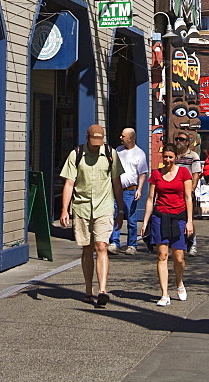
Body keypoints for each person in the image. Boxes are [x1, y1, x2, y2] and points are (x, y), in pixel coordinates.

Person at [60, 124, 124, 306]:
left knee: (101, 246)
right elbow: (69, 183)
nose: (96, 146)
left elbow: (116, 183)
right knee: (87, 248)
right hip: (81, 207)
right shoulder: (76, 154)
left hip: (104, 207)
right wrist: (65, 209)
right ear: (87, 138)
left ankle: (102, 289)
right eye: (93, 142)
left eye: (99, 142)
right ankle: (89, 289)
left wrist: (120, 210)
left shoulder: (111, 154)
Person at [141, 142, 194, 306]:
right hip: (160, 217)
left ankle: (179, 283)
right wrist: (145, 221)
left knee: (179, 258)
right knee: (162, 255)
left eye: (171, 157)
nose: (168, 160)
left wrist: (190, 221)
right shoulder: (156, 174)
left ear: (176, 158)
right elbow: (151, 199)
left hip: (179, 217)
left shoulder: (184, 173)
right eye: (165, 157)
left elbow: (188, 198)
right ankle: (164, 294)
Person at [108, 127, 148, 255]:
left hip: (130, 190)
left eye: (123, 136)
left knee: (131, 219)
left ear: (130, 138)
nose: (121, 138)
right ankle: (114, 242)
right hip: (116, 190)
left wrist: (139, 189)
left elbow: (142, 173)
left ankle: (132, 244)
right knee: (115, 216)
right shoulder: (118, 151)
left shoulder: (139, 153)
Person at [174, 132, 202, 255]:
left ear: (187, 142)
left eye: (182, 139)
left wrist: (191, 190)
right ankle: (176, 243)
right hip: (174, 192)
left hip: (187, 192)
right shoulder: (173, 156)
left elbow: (196, 175)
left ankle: (192, 243)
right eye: (177, 139)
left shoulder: (193, 156)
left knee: (189, 218)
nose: (179, 141)